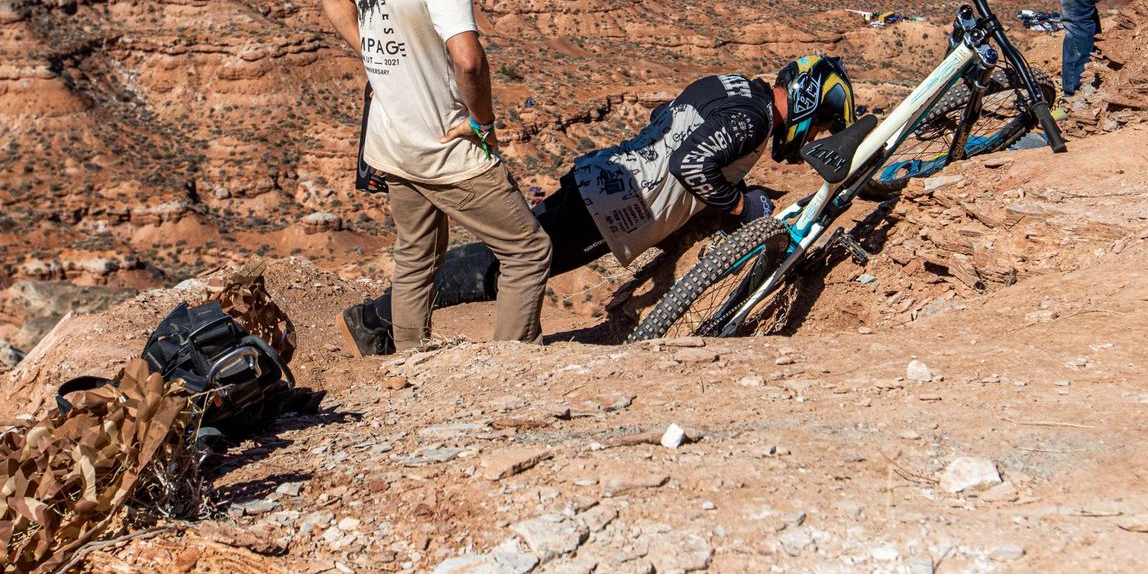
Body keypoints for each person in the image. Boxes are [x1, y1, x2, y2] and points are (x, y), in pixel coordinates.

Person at [338, 54, 857, 355]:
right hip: (614, 206)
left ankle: (380, 317)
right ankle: (376, 319)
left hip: (605, 176)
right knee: (504, 266)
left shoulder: (733, 87)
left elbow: (669, 120)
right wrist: (740, 204)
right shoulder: (756, 119)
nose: (818, 134)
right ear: (814, 101)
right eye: (826, 123)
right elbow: (692, 166)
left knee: (509, 256)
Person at [318, 0, 552, 350]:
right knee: (528, 250)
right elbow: (468, 59)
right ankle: (511, 364)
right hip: (442, 148)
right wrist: (483, 123)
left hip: (390, 141)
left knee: (415, 254)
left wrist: (369, 49)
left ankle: (409, 364)